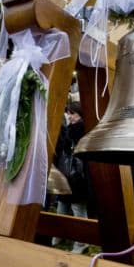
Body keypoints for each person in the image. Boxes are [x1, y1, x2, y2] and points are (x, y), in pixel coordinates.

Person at [52, 101, 90, 253]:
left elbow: (68, 141)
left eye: (73, 113)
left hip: (78, 175)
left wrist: (66, 129)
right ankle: (60, 233)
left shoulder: (82, 128)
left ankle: (82, 241)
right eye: (68, 113)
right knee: (62, 205)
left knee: (77, 207)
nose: (70, 116)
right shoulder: (70, 128)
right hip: (67, 172)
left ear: (80, 114)